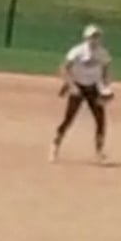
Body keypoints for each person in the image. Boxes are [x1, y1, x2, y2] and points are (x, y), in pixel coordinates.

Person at [51, 24, 112, 164]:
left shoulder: (103, 53)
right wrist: (70, 84)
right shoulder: (77, 51)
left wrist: (105, 88)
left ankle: (99, 152)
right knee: (69, 119)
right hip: (78, 86)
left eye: (97, 37)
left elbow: (105, 70)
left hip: (93, 88)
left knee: (101, 120)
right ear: (86, 38)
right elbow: (64, 68)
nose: (95, 40)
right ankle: (55, 145)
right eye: (92, 37)